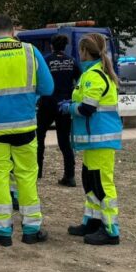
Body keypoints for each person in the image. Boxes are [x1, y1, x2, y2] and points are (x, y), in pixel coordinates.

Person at [0, 15, 54, 246]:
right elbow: (48, 87)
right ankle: (32, 229)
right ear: (13, 31)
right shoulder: (30, 52)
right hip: (24, 125)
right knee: (26, 176)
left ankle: (2, 231)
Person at [59, 33, 124, 246]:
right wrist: (71, 101)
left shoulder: (95, 76)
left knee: (101, 184)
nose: (78, 54)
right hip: (93, 140)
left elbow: (87, 108)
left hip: (100, 140)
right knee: (90, 181)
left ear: (85, 52)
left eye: (80, 51)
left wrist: (68, 107)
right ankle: (93, 221)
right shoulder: (91, 75)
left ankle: (111, 229)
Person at [37, 34, 81, 187]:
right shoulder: (72, 61)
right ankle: (69, 176)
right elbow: (80, 79)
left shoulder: (46, 60)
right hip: (65, 105)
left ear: (51, 45)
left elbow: (39, 79)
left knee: (39, 137)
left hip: (47, 104)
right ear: (65, 47)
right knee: (64, 142)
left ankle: (37, 171)